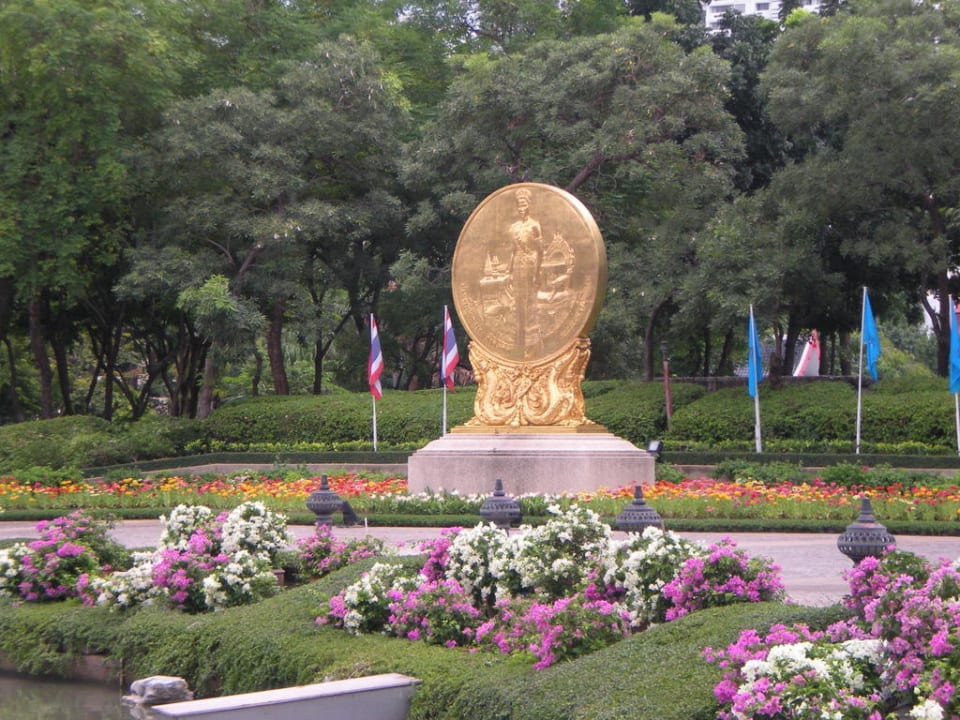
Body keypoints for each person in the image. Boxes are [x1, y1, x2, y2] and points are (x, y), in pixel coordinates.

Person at [508, 188, 542, 349]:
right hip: (517, 265)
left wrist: (537, 272)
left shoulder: (535, 225)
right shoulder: (513, 227)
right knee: (518, 300)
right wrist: (509, 271)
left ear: (529, 205)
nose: (521, 208)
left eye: (524, 204)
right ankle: (519, 337)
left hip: (530, 264)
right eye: (519, 205)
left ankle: (533, 339)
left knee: (530, 300)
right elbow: (512, 251)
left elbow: (540, 250)